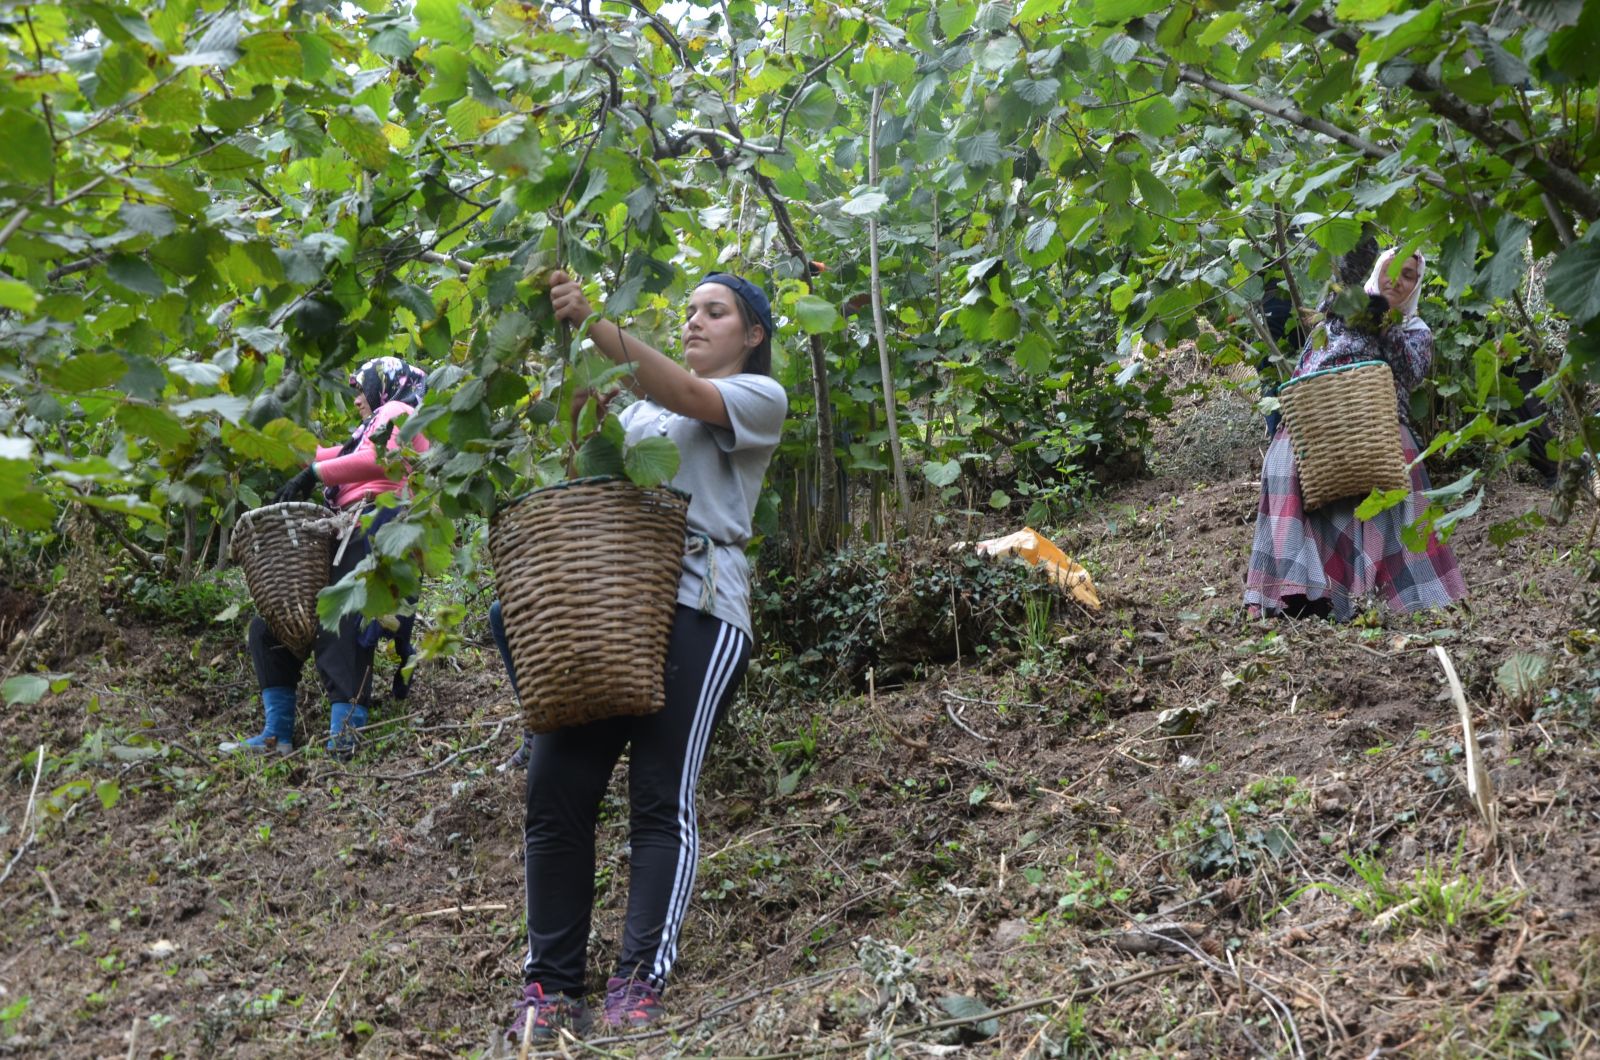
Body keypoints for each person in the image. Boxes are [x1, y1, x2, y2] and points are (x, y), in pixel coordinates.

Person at [496, 271, 787, 1044]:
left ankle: (638, 978)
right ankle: (551, 984)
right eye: (689, 311)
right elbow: (594, 476)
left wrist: (595, 323)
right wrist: (588, 401)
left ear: (752, 333)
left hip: (700, 608)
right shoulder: (642, 408)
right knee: (555, 791)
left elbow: (693, 397)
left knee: (661, 798)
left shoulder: (760, 397)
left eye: (714, 312)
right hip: (611, 615)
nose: (695, 322)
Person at [221, 356, 430, 759]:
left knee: (344, 620)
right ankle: (275, 734)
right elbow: (323, 453)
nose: (356, 400)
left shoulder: (399, 411)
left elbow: (377, 460)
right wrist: (265, 425)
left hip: (379, 524)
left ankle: (345, 735)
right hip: (345, 527)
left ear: (383, 384)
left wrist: (314, 474)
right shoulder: (366, 431)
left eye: (360, 388)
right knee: (271, 625)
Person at [1244, 244, 1467, 620]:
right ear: (1376, 271)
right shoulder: (1335, 316)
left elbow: (1412, 374)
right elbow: (1307, 368)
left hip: (1375, 431)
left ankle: (1390, 601)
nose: (1397, 279)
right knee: (1284, 461)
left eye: (1409, 275)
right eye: (1391, 269)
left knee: (1395, 482)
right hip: (1319, 426)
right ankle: (1302, 598)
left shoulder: (1416, 331)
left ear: (1416, 286)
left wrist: (1383, 324)